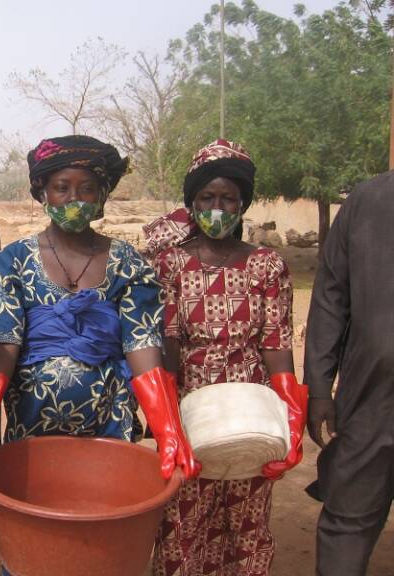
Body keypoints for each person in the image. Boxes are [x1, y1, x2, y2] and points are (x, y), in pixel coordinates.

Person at [0, 135, 199, 512]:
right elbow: (2, 346)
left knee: (103, 529)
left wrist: (168, 429)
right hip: (31, 428)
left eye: (87, 189)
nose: (74, 199)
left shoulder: (128, 263)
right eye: (61, 188)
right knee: (34, 534)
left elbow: (142, 346)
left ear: (102, 196)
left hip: (110, 421)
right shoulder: (13, 262)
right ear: (42, 193)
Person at [144, 139, 307, 576]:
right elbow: (169, 347)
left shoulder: (267, 266)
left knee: (246, 524)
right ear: (192, 202)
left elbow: (276, 344)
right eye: (207, 198)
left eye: (228, 199)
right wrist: (170, 427)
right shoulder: (172, 264)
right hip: (190, 405)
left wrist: (289, 421)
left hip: (250, 408)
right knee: (182, 523)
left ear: (243, 204)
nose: (217, 208)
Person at [304, 170, 394, 575]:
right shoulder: (369, 200)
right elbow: (330, 296)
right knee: (349, 516)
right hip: (371, 394)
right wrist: (320, 387)